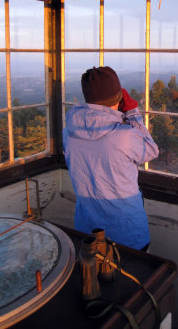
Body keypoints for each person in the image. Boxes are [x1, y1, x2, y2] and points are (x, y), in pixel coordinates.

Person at [63, 66, 159, 251]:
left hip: (87, 231)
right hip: (127, 233)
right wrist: (133, 114)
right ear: (119, 98)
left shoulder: (68, 133)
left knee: (90, 276)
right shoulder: (123, 136)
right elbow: (151, 151)